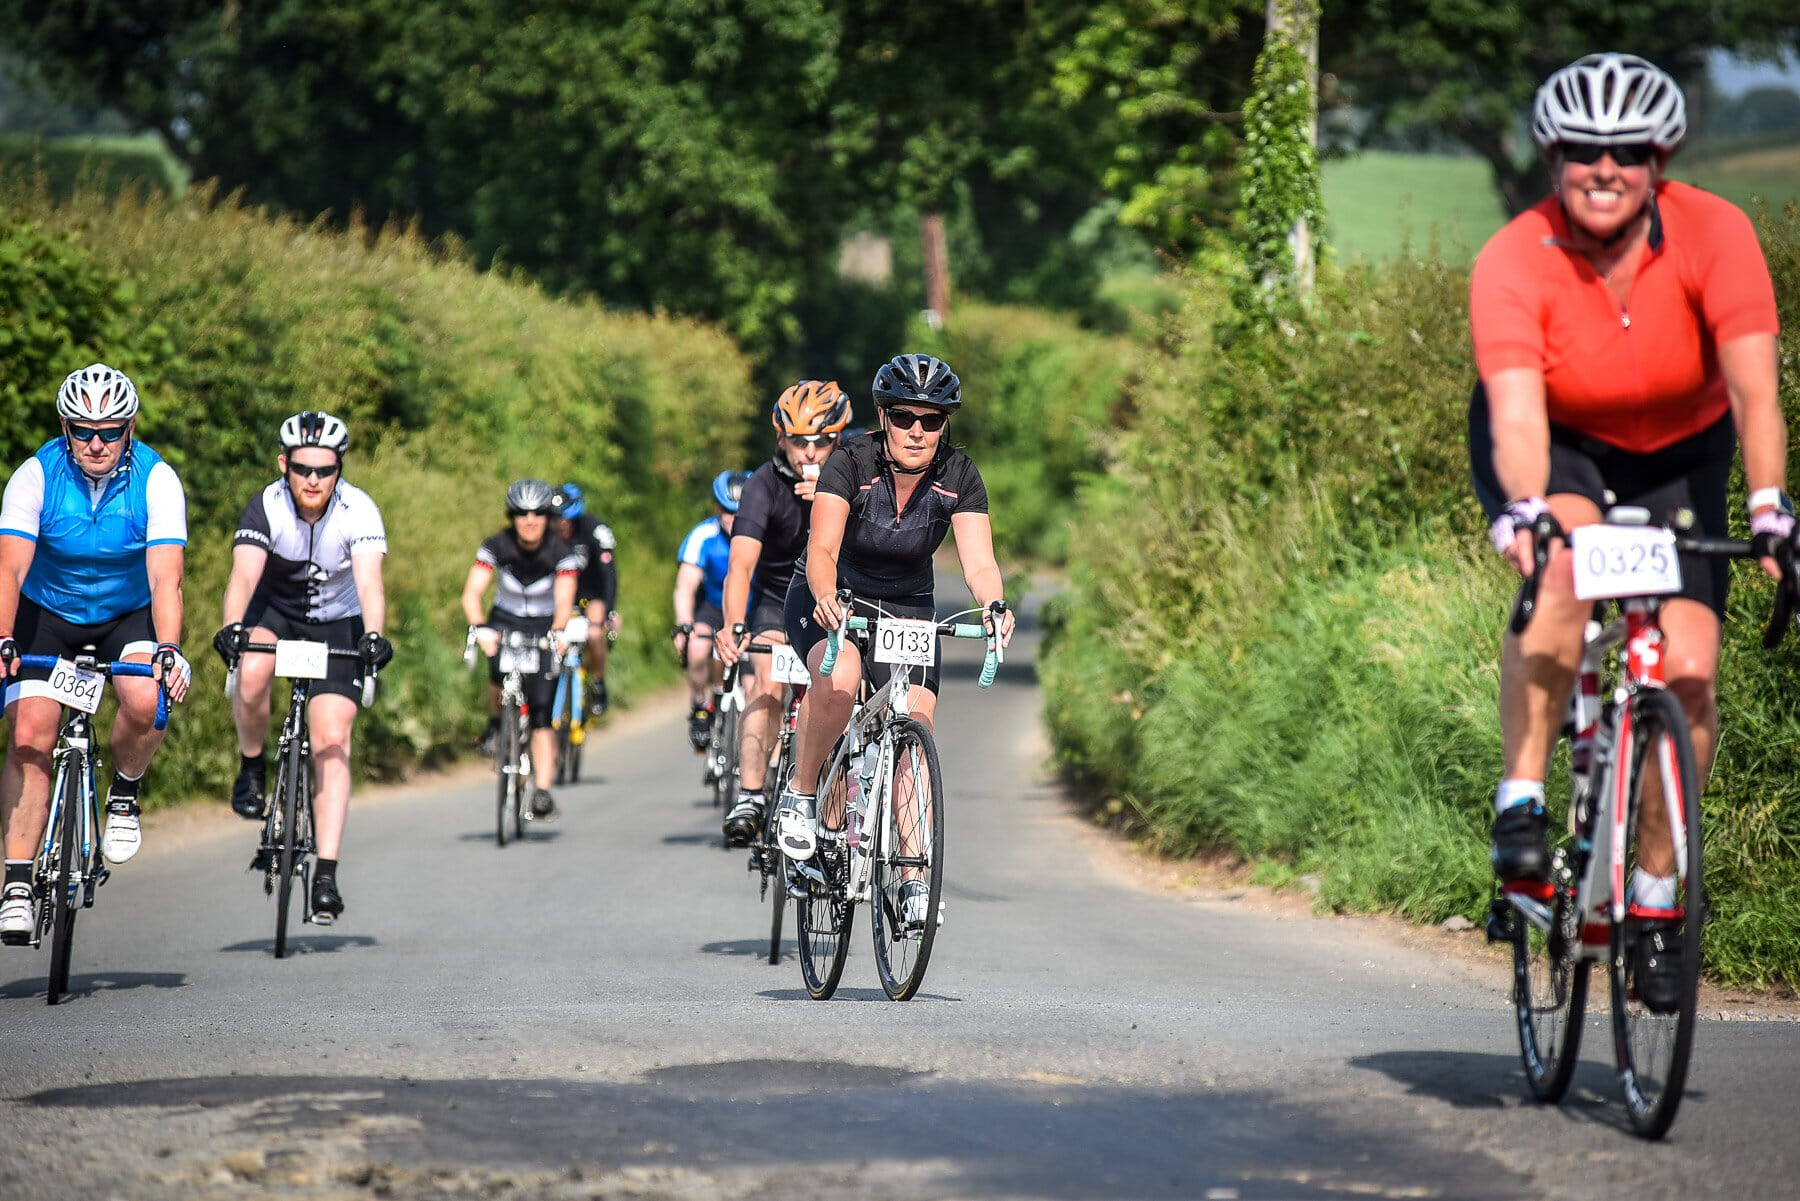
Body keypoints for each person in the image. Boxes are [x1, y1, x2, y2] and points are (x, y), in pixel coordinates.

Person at [1469, 54, 1787, 1012]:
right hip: (1556, 445)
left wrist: (1770, 508)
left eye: (1626, 152)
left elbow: (1754, 390)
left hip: (1682, 452)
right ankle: (1524, 803)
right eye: (1581, 152)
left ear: (1660, 161)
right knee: (1564, 573)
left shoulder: (1716, 234)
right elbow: (1517, 416)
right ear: (1553, 159)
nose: (1603, 168)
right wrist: (1528, 511)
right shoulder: (1515, 256)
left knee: (1689, 672)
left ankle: (1654, 899)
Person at [776, 354, 1014, 925]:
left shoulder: (959, 475)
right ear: (883, 416)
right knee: (841, 681)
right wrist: (828, 596)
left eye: (931, 421)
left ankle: (911, 875)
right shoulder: (850, 462)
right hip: (833, 593)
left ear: (945, 426)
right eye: (904, 417)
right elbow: (823, 548)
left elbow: (979, 562)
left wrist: (994, 605)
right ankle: (803, 799)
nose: (917, 431)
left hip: (908, 605)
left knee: (916, 720)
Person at [0, 365, 193, 944]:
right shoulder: (35, 475)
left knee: (143, 696)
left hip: (126, 614)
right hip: (47, 615)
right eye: (83, 431)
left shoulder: (158, 480)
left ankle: (126, 792)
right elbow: (10, 566)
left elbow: (166, 580)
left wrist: (168, 650)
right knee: (31, 733)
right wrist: (5, 637)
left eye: (110, 431)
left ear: (128, 428)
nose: (96, 444)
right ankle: (15, 882)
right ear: (66, 427)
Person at [214, 411, 392, 924]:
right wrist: (232, 626)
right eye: (302, 469)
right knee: (250, 671)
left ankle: (328, 874)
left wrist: (374, 636)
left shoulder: (359, 511)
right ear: (283, 465)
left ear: (340, 469)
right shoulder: (266, 505)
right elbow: (244, 576)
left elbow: (370, 585)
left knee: (332, 736)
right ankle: (252, 768)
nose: (313, 480)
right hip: (277, 613)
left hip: (339, 623)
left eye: (325, 470)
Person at [717, 381, 851, 846]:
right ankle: (751, 795)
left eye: (821, 442)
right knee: (765, 680)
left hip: (843, 598)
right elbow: (740, 566)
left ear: (841, 438)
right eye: (798, 441)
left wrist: (833, 500)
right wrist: (735, 625)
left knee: (845, 692)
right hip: (780, 600)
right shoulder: (762, 484)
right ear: (781, 439)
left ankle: (840, 802)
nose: (809, 453)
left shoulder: (858, 472)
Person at [462, 479, 579, 821]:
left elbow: (565, 597)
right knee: (497, 672)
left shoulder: (561, 551)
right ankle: (497, 724)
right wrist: (480, 626)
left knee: (542, 713)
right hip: (504, 621)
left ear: (548, 516)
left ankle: (542, 791)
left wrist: (559, 631)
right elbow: (472, 592)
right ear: (511, 516)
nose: (530, 520)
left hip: (543, 625)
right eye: (522, 514)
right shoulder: (496, 545)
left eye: (538, 514)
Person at [672, 471, 748, 751]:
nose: (733, 519)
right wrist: (684, 624)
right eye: (727, 512)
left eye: (740, 513)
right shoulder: (703, 535)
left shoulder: (764, 535)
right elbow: (685, 586)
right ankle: (700, 705)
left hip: (752, 606)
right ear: (717, 509)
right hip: (713, 606)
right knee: (696, 648)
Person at [550, 483, 618, 717]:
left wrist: (609, 611)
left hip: (591, 594)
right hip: (560, 595)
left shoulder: (595, 529)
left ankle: (598, 683)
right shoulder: (546, 533)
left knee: (594, 633)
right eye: (555, 518)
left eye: (564, 518)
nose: (560, 524)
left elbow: (608, 574)